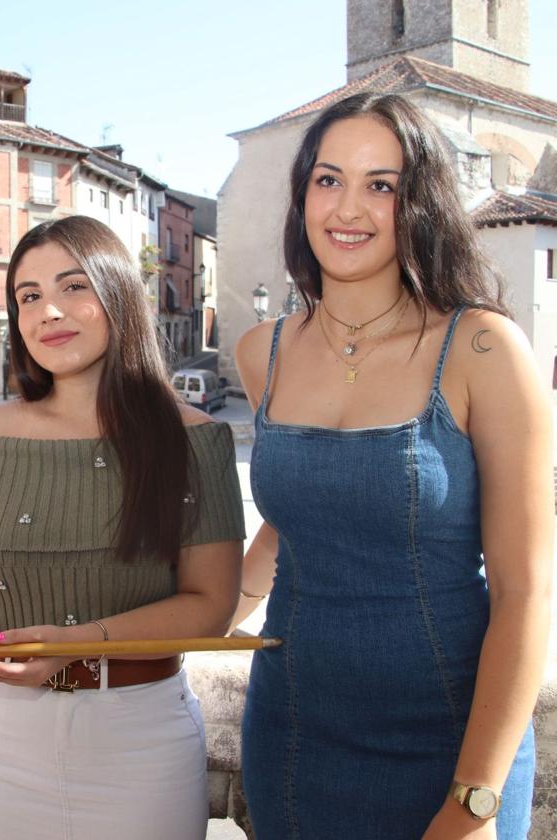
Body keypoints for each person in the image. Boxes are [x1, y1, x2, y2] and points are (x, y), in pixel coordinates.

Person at [233, 92, 552, 840]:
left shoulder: (483, 349)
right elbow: (288, 533)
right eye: (328, 179)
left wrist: (473, 803)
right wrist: (137, 639)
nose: (349, 207)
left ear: (421, 203)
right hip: (293, 736)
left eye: (383, 184)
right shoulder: (263, 353)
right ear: (302, 194)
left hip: (453, 743)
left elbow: (525, 591)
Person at [0, 216, 246, 840]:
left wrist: (77, 641)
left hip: (141, 738)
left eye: (73, 287)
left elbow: (211, 606)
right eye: (28, 296)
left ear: (118, 292)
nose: (49, 311)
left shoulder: (196, 440)